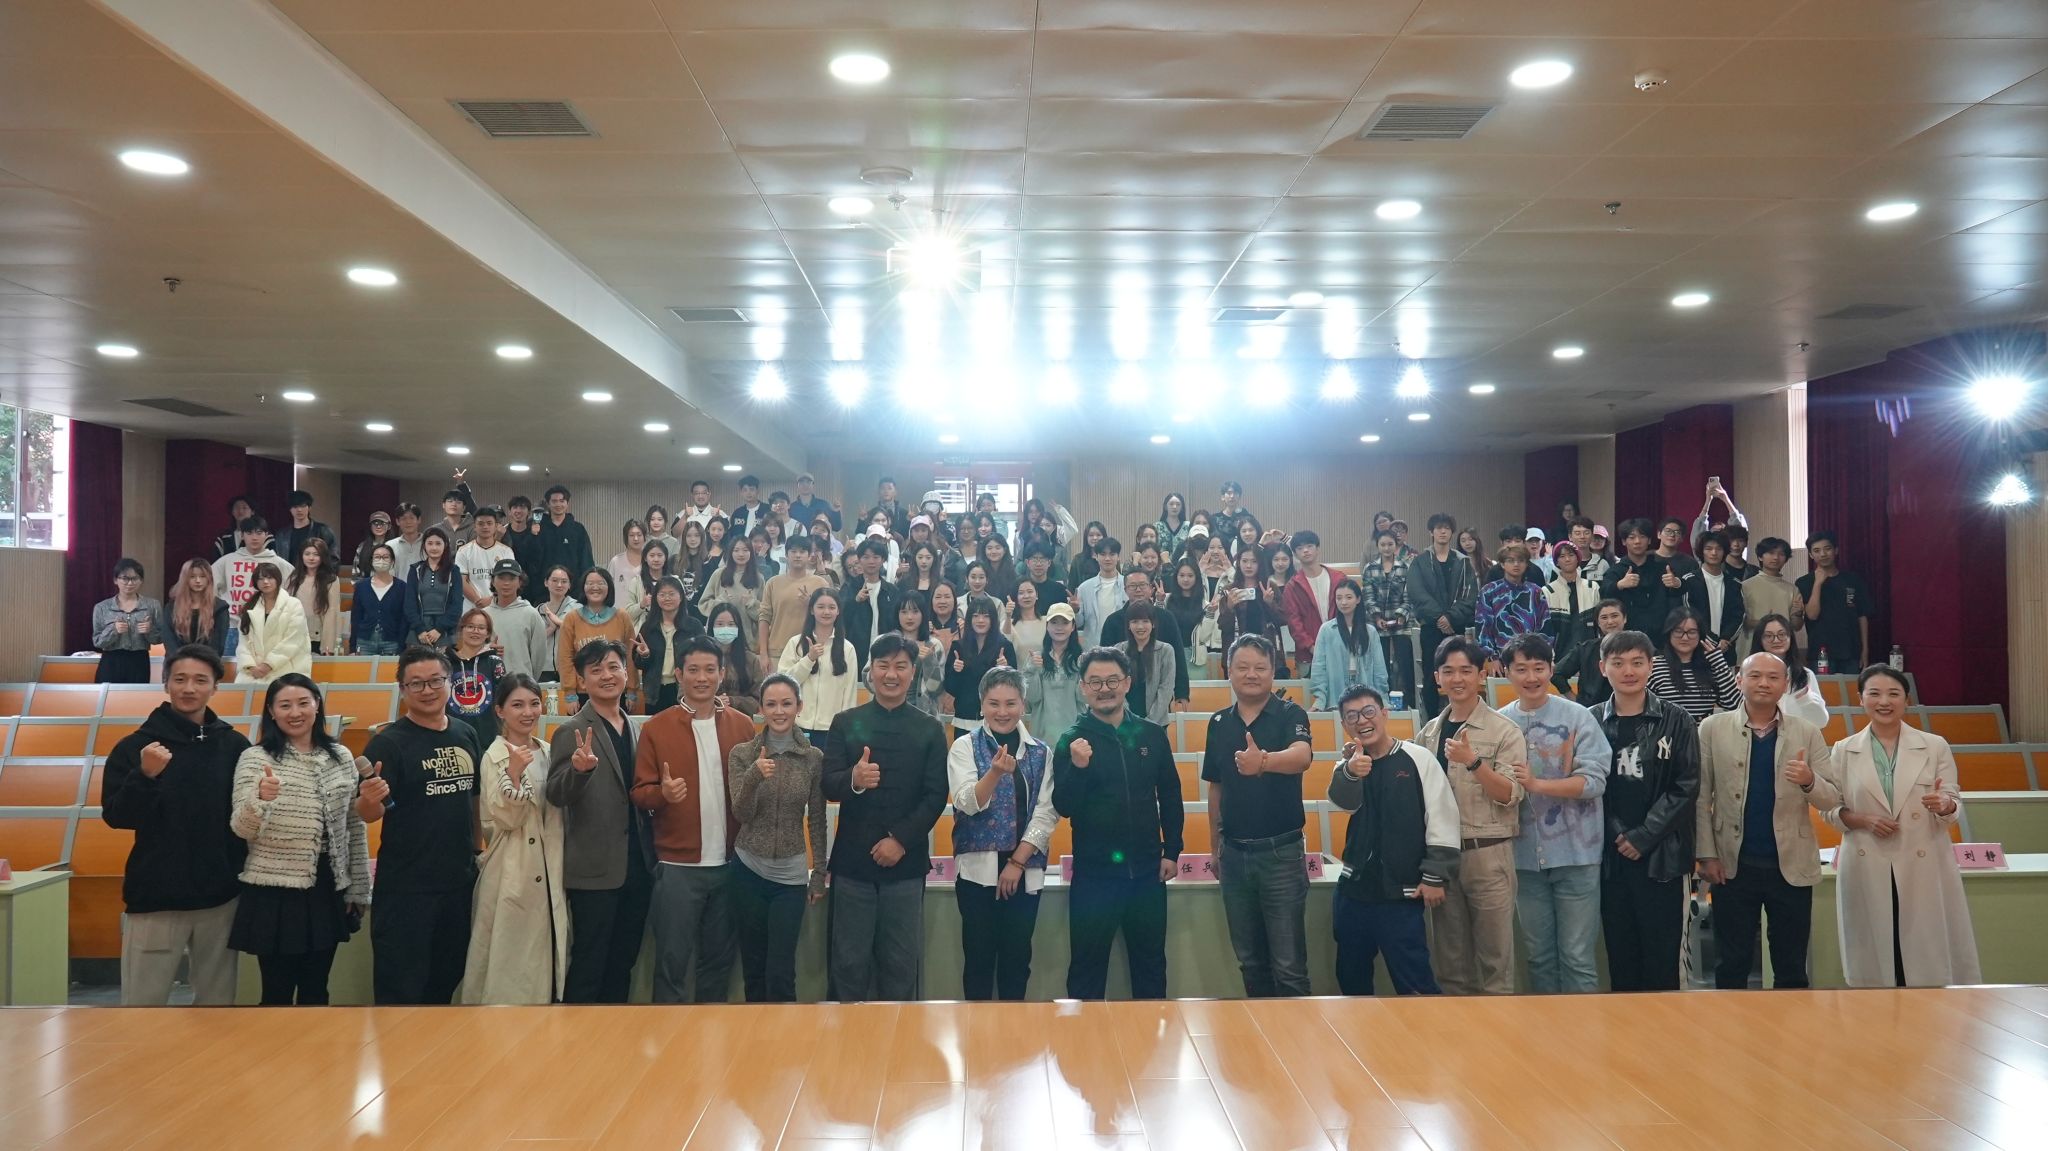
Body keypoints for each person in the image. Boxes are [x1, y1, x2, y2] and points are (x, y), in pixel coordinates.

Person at [100, 644, 251, 1005]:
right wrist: (145, 776)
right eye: (180, 679)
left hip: (220, 898)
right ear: (165, 683)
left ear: (215, 687)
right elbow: (117, 816)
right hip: (156, 897)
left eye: (200, 680)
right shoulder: (135, 747)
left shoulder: (233, 745)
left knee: (219, 1007)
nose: (189, 688)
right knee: (142, 1007)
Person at [1824, 665, 1980, 988]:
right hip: (1867, 859)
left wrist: (1945, 804)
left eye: (1893, 694)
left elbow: (1952, 800)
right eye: (1875, 693)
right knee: (1875, 957)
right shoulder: (1843, 749)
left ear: (1906, 700)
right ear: (1861, 699)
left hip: (1922, 860)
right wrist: (1863, 820)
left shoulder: (1934, 745)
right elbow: (1829, 808)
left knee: (1924, 957)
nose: (1884, 701)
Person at [1695, 652, 1841, 990]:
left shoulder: (1807, 732)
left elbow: (1832, 798)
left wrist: (1809, 780)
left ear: (1785, 684)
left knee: (1791, 966)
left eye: (1773, 677)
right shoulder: (1712, 728)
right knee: (1731, 963)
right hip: (1731, 864)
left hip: (1790, 864)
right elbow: (1701, 798)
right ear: (1739, 680)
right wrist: (1706, 855)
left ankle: (1790, 1023)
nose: (1764, 683)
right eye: (1755, 675)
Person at [821, 632, 950, 1001]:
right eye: (883, 665)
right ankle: (847, 1038)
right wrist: (854, 779)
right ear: (871, 671)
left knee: (901, 965)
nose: (891, 674)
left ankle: (900, 1037)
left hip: (905, 866)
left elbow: (935, 796)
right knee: (848, 964)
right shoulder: (846, 722)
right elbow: (828, 784)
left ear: (912, 673)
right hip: (852, 866)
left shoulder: (930, 728)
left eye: (900, 666)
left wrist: (899, 840)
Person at [228, 674, 369, 1005]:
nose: (295, 713)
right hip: (274, 890)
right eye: (285, 705)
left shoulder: (341, 756)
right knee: (275, 993)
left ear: (317, 705)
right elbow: (241, 828)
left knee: (317, 989)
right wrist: (260, 799)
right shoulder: (255, 758)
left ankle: (316, 1042)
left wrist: (358, 888)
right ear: (271, 711)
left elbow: (353, 825)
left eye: (303, 703)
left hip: (327, 887)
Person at [1054, 646, 1182, 1000]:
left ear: (1127, 683)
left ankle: (1151, 1036)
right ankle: (1083, 1037)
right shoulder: (1071, 740)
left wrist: (1172, 850)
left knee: (1151, 967)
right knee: (1086, 971)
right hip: (1094, 876)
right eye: (1095, 682)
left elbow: (1170, 794)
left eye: (1112, 680)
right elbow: (1063, 805)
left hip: (1147, 873)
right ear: (1083, 688)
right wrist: (1078, 768)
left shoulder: (1151, 735)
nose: (1104, 689)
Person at [629, 636, 753, 1004]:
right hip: (677, 866)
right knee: (671, 962)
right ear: (679, 674)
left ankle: (711, 1034)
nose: (702, 678)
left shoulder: (743, 726)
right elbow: (639, 793)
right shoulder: (657, 728)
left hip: (731, 865)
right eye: (693, 670)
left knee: (718, 963)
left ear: (722, 673)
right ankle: (669, 1036)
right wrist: (662, 795)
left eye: (710, 670)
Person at [357, 646, 484, 1004]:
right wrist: (368, 799)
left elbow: (474, 800)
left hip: (457, 884)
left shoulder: (466, 733)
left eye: (435, 681)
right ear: (402, 689)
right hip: (406, 889)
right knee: (400, 992)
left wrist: (477, 851)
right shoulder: (387, 744)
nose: (427, 690)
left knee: (445, 984)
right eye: (416, 684)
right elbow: (367, 813)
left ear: (449, 683)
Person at [1199, 634, 1315, 998]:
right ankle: (1260, 1031)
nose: (1252, 674)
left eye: (1260, 667)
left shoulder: (1290, 714)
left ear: (1273, 672)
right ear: (1228, 671)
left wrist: (1263, 761)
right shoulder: (1219, 722)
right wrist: (1215, 848)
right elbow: (1215, 787)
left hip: (1281, 854)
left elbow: (1302, 756)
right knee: (1250, 962)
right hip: (1233, 855)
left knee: (1289, 966)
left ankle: (1293, 1034)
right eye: (1243, 667)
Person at [1497, 634, 1612, 994]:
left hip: (1577, 856)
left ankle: (1583, 1029)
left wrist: (1537, 784)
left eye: (1539, 668)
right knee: (1539, 958)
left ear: (1551, 669)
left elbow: (1594, 781)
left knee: (1577, 958)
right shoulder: (1500, 723)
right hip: (1524, 858)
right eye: (1521, 669)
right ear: (1506, 672)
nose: (1531, 677)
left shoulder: (1579, 717)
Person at [1327, 685, 1459, 995]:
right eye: (1352, 716)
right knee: (1351, 979)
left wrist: (1435, 875)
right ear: (1345, 725)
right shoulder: (1347, 765)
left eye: (1368, 712)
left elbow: (1442, 816)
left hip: (1403, 894)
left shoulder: (1418, 758)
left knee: (1415, 983)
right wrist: (1351, 772)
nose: (1362, 721)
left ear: (1384, 714)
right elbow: (1344, 804)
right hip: (1353, 891)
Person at [1415, 636, 1529, 995]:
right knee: (1451, 968)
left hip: (1488, 855)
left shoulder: (1504, 730)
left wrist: (1474, 762)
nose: (1457, 679)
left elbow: (1510, 795)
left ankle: (1498, 1033)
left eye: (1466, 670)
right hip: (1443, 859)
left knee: (1495, 966)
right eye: (1448, 671)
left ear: (1481, 675)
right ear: (1437, 677)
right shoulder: (1427, 734)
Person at [1590, 629, 1700, 992]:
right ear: (1603, 667)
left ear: (1651, 666)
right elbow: (1589, 788)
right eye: (1618, 663)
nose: (1628, 671)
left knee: (1662, 962)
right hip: (1611, 859)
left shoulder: (1677, 719)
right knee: (1622, 959)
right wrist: (1618, 834)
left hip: (1663, 857)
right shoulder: (1591, 720)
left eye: (1637, 662)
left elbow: (1686, 786)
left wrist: (1643, 836)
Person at [939, 667, 1056, 1001]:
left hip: (1024, 868)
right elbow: (966, 803)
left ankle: (1014, 1031)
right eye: (994, 703)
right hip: (977, 873)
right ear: (981, 705)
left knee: (1017, 962)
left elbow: (1046, 812)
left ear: (1023, 705)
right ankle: (976, 1032)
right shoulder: (964, 746)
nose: (1002, 712)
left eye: (1010, 703)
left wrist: (1017, 863)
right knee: (978, 962)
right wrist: (993, 773)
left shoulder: (1040, 752)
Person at [545, 639, 653, 1003]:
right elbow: (556, 794)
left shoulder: (635, 727)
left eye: (613, 667)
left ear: (626, 672)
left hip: (636, 866)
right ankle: (578, 1036)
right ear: (582, 680)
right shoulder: (572, 730)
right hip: (594, 870)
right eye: (596, 670)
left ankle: (614, 1033)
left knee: (623, 962)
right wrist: (578, 772)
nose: (606, 675)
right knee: (589, 965)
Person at [457, 674, 568, 1004]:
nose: (528, 712)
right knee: (512, 969)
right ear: (500, 710)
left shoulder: (547, 750)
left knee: (543, 962)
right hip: (512, 870)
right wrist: (514, 774)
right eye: (517, 705)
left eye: (534, 703)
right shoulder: (495, 756)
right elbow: (503, 819)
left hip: (549, 866)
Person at [721, 674, 827, 1003]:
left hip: (790, 878)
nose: (779, 711)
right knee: (753, 969)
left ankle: (785, 1035)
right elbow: (741, 813)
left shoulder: (813, 758)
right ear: (761, 710)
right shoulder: (742, 754)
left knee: (781, 971)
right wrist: (755, 775)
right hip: (747, 871)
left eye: (786, 703)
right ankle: (755, 1036)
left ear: (799, 707)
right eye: (771, 704)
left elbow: (817, 818)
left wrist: (819, 873)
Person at [1407, 514, 1479, 719]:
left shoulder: (1463, 562)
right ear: (1431, 532)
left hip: (1457, 627)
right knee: (1432, 675)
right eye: (1438, 528)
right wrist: (1440, 617)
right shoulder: (1420, 561)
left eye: (1446, 528)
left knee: (1461, 672)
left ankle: (1463, 716)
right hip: (1431, 628)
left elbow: (1470, 596)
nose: (1443, 531)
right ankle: (1432, 721)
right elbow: (1417, 593)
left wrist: (1450, 618)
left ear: (1451, 532)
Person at [1098, 567, 1192, 708]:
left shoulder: (1166, 617)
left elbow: (1178, 654)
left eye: (1142, 585)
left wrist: (1182, 692)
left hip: (1158, 695)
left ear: (1151, 588)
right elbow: (1104, 661)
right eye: (1132, 586)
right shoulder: (1113, 621)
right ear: (1125, 590)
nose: (1138, 590)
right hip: (1122, 697)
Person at [779, 587, 859, 745]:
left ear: (838, 611)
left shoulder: (847, 648)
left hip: (832, 729)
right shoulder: (796, 643)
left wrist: (846, 727)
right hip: (799, 725)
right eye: (821, 607)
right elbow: (784, 683)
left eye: (832, 607)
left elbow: (849, 693)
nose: (826, 612)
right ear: (811, 610)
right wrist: (809, 659)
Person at [557, 569, 638, 706]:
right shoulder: (571, 618)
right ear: (583, 587)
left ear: (609, 587)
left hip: (616, 691)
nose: (595, 587)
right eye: (590, 583)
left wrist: (631, 689)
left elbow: (630, 654)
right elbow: (565, 657)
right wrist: (570, 693)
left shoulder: (622, 616)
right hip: (582, 694)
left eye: (601, 583)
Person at [1797, 531, 1873, 672]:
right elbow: (1812, 615)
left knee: (1852, 687)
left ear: (1836, 550)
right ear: (1811, 555)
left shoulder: (1853, 580)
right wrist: (1818, 583)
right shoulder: (1804, 582)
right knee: (1822, 687)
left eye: (1827, 549)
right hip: (1820, 653)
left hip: (1851, 652)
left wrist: (1865, 650)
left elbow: (1862, 616)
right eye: (1817, 551)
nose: (1823, 554)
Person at [1309, 579, 1390, 710]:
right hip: (1335, 697)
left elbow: (1379, 670)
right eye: (1339, 598)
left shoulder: (1370, 632)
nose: (1343, 602)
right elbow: (1319, 667)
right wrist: (1320, 699)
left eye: (1348, 597)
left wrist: (1383, 700)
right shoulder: (1327, 630)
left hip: (1366, 698)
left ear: (1358, 599)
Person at [1649, 606, 1740, 722]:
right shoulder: (1655, 665)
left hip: (1703, 731)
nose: (1685, 637)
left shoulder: (1713, 666)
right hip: (1668, 732)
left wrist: (1719, 662)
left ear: (1700, 635)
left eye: (1692, 632)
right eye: (1678, 631)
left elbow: (1736, 705)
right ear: (1669, 633)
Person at [942, 595, 1018, 722]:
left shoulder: (1004, 646)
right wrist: (956, 671)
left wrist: (1006, 669)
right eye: (975, 616)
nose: (980, 620)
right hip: (964, 718)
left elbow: (1014, 686)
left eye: (986, 616)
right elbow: (950, 688)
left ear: (993, 619)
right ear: (969, 619)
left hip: (996, 718)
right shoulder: (958, 647)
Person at [635, 576, 705, 713]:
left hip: (684, 690)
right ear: (656, 598)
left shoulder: (693, 626)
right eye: (662, 594)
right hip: (655, 692)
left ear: (681, 597)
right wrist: (644, 655)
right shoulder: (648, 627)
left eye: (672, 594)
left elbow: (704, 656)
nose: (667, 598)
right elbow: (638, 663)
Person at [1359, 530, 1415, 700]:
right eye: (1383, 544)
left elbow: (1410, 595)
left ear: (1395, 545)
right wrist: (1377, 617)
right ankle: (1383, 700)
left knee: (1405, 664)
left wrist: (1402, 615)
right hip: (1377, 623)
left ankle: (1410, 702)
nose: (1386, 548)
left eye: (1390, 544)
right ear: (1377, 546)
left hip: (1402, 623)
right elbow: (1368, 596)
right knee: (1380, 665)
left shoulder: (1405, 567)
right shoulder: (1370, 568)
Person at [1474, 543, 1549, 669]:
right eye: (1510, 560)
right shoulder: (1489, 591)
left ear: (1526, 564)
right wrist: (1491, 657)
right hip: (1498, 661)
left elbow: (1545, 628)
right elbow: (1483, 627)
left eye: (1520, 560)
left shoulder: (1536, 592)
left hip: (1531, 659)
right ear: (1502, 564)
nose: (1516, 564)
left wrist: (1541, 657)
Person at [235, 565, 311, 685]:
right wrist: (250, 666)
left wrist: (268, 664)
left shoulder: (293, 604)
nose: (265, 582)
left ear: (278, 579)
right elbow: (243, 642)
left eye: (270, 577)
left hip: (286, 669)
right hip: (254, 672)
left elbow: (293, 640)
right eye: (260, 579)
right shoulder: (249, 606)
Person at [758, 533, 829, 662]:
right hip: (777, 651)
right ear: (786, 554)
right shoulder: (773, 583)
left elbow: (828, 617)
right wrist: (763, 653)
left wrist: (811, 604)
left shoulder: (820, 583)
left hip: (810, 651)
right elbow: (764, 618)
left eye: (802, 552)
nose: (797, 555)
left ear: (809, 555)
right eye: (793, 551)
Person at [1751, 614, 1829, 727]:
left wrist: (1805, 698)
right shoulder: (1750, 673)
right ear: (1760, 640)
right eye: (1768, 636)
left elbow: (1821, 721)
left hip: (1797, 734)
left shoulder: (1805, 674)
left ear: (1790, 637)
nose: (1776, 640)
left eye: (1782, 634)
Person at [838, 537, 901, 672]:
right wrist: (855, 601)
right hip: (856, 649)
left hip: (885, 649)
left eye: (876, 557)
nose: (871, 561)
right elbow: (839, 617)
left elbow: (897, 622)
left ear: (883, 560)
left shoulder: (891, 591)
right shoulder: (849, 587)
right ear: (860, 559)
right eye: (866, 557)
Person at [1600, 519, 1672, 637]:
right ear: (1624, 541)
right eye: (1632, 537)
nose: (1637, 541)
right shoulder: (1616, 570)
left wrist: (1677, 584)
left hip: (1660, 634)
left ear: (1649, 540)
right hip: (1626, 634)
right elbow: (1603, 592)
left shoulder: (1662, 568)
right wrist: (1619, 585)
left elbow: (1675, 597)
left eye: (1642, 537)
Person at [93, 557, 160, 683]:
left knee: (136, 695)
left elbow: (159, 639)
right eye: (125, 578)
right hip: (111, 660)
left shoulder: (153, 606)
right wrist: (114, 630)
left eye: (135, 578)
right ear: (115, 580)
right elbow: (98, 642)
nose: (130, 583)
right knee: (108, 695)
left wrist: (149, 630)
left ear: (141, 580)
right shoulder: (102, 607)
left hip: (139, 661)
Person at [447, 609, 507, 747]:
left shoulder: (495, 662)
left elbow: (503, 699)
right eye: (470, 626)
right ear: (461, 630)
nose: (475, 631)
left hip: (488, 736)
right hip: (452, 735)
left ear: (488, 634)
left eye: (481, 628)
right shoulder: (445, 662)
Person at [211, 515, 295, 612]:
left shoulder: (278, 563)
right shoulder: (227, 561)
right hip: (232, 619)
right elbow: (209, 587)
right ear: (242, 535)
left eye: (259, 533)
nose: (254, 538)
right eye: (249, 533)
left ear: (266, 535)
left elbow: (293, 592)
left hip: (266, 618)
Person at [482, 559, 549, 680]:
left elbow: (539, 657)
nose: (506, 583)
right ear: (492, 581)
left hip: (522, 683)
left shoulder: (531, 614)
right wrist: (486, 649)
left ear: (520, 582)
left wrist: (528, 680)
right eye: (501, 578)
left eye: (512, 578)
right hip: (489, 683)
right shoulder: (483, 615)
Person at [1552, 599, 1626, 707]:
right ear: (1598, 623)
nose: (1610, 621)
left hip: (1628, 709)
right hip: (1591, 710)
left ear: (1624, 618)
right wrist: (1576, 703)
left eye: (1614, 616)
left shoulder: (1638, 646)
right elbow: (1556, 674)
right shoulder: (1585, 649)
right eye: (1604, 617)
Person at [1027, 601, 1085, 737]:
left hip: (1075, 734)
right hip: (1043, 734)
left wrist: (1085, 672)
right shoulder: (1035, 658)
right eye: (1054, 622)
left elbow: (1084, 698)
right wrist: (1035, 670)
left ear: (1073, 627)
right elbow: (1031, 699)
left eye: (1065, 623)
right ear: (1047, 626)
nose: (1059, 627)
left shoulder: (1082, 660)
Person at [1740, 537, 1805, 658]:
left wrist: (1797, 614)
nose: (1776, 557)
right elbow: (1741, 622)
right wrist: (1772, 624)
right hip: (1751, 649)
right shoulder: (1745, 586)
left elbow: (1796, 626)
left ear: (1786, 559)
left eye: (1781, 554)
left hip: (1782, 651)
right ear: (1760, 557)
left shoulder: (1792, 589)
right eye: (1771, 553)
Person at [1116, 601, 1177, 725]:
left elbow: (1166, 688)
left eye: (1145, 621)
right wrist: (1129, 719)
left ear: (1153, 624)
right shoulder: (1118, 650)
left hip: (1157, 723)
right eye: (1135, 621)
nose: (1140, 626)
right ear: (1128, 625)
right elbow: (1117, 687)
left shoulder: (1165, 650)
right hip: (1126, 722)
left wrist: (1149, 722)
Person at [403, 527, 463, 648]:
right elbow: (409, 603)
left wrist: (439, 629)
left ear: (445, 545)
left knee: (444, 661)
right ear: (424, 546)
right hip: (419, 630)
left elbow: (456, 604)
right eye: (430, 543)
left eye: (438, 543)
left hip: (445, 630)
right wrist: (420, 630)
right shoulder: (415, 570)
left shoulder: (453, 570)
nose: (434, 548)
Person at [699, 534, 766, 642]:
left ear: (751, 553)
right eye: (736, 550)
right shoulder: (719, 574)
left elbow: (764, 614)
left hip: (747, 640)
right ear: (730, 553)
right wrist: (720, 602)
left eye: (745, 550)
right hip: (720, 637)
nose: (741, 554)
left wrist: (752, 604)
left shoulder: (758, 578)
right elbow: (703, 604)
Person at [161, 559, 231, 658]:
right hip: (177, 662)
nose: (198, 581)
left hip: (208, 662)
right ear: (185, 579)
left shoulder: (220, 607)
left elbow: (218, 644)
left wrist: (200, 662)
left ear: (209, 579)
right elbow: (169, 640)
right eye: (192, 577)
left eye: (202, 576)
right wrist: (181, 661)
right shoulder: (172, 607)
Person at [1541, 541, 1601, 655]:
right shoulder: (1548, 591)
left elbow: (1599, 624)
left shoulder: (1592, 587)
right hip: (1559, 654)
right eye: (1562, 556)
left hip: (1590, 652)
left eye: (1571, 555)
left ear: (1578, 559)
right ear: (1556, 562)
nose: (1567, 559)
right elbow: (1546, 630)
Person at [287, 540, 345, 656]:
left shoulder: (331, 580)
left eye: (316, 554)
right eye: (307, 554)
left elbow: (332, 612)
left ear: (322, 557)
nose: (311, 558)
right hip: (295, 636)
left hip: (318, 638)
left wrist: (328, 646)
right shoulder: (293, 578)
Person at [893, 595, 948, 716]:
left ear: (923, 614)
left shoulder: (934, 645)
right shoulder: (885, 642)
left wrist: (929, 661)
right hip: (890, 712)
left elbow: (936, 690)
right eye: (904, 612)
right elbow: (870, 683)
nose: (909, 617)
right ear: (897, 614)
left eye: (915, 611)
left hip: (924, 715)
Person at [704, 602, 763, 716]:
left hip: (742, 720)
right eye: (720, 624)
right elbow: (684, 695)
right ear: (711, 627)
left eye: (731, 624)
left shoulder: (751, 660)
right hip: (706, 718)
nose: (725, 628)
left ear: (738, 628)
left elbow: (760, 699)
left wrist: (732, 701)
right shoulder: (699, 658)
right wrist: (712, 701)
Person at [351, 543, 408, 656]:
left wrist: (402, 646)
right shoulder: (361, 586)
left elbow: (404, 619)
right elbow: (356, 618)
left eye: (385, 557)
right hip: (364, 642)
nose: (381, 560)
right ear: (371, 560)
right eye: (377, 557)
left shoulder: (402, 587)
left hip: (392, 642)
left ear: (392, 561)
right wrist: (352, 648)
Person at [536, 484, 596, 592]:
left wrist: (587, 584)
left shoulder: (578, 529)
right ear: (548, 504)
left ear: (567, 503)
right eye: (554, 501)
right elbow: (533, 561)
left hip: (573, 589)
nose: (558, 504)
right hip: (543, 589)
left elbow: (586, 559)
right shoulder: (538, 529)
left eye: (562, 501)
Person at [1695, 531, 1746, 655]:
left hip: (1725, 648)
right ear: (1701, 551)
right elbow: (1691, 613)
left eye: (1719, 549)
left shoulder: (1734, 584)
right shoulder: (1690, 580)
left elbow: (1738, 615)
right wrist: (1710, 639)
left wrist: (1726, 638)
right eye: (1708, 549)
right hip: (1696, 646)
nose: (1714, 553)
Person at [455, 504, 514, 608]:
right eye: (481, 523)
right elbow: (461, 581)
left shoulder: (506, 551)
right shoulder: (463, 551)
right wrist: (477, 601)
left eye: (489, 523)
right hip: (471, 607)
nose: (485, 527)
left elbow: (509, 580)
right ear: (474, 527)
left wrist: (492, 600)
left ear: (496, 526)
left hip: (498, 606)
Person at [1072, 537, 1126, 649]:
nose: (1107, 558)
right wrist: (1075, 610)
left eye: (1112, 554)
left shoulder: (1127, 585)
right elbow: (1078, 624)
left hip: (1122, 647)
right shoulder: (1084, 588)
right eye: (1103, 554)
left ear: (1118, 557)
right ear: (1096, 556)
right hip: (1093, 648)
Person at [536, 564, 578, 681]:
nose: (559, 585)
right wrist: (550, 629)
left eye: (564, 581)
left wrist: (559, 623)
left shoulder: (578, 608)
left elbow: (582, 634)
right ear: (546, 582)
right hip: (543, 669)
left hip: (570, 667)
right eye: (554, 580)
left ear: (569, 585)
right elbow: (533, 641)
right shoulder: (537, 611)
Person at [608, 519, 648, 596]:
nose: (636, 538)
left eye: (639, 535)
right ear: (626, 538)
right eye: (631, 535)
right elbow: (608, 587)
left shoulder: (650, 561)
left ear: (644, 537)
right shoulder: (616, 561)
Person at [434, 476, 477, 546]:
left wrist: (461, 484)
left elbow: (473, 509)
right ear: (443, 505)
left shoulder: (473, 529)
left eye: (458, 502)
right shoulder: (435, 529)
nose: (453, 504)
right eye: (450, 501)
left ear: (464, 507)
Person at [212, 494, 254, 561]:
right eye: (237, 508)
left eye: (244, 508)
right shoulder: (223, 537)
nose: (240, 511)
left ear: (252, 512)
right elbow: (216, 562)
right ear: (232, 512)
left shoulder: (262, 536)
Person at [387, 503, 426, 575]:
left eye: (411, 518)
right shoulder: (390, 546)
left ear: (419, 520)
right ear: (397, 521)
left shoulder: (429, 543)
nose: (408, 522)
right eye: (403, 518)